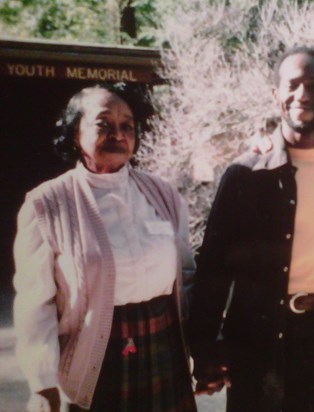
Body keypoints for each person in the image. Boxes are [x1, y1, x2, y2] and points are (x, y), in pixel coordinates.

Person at [188, 46, 314, 411]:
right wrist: (204, 348)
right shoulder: (245, 176)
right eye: (292, 84)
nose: (303, 94)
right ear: (276, 95)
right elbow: (213, 266)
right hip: (256, 341)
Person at [12, 84, 197, 412]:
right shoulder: (46, 205)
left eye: (127, 125)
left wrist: (205, 351)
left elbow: (186, 277)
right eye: (103, 124)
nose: (118, 133)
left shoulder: (164, 195)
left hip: (163, 348)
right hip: (96, 361)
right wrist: (43, 384)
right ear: (74, 133)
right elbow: (35, 304)